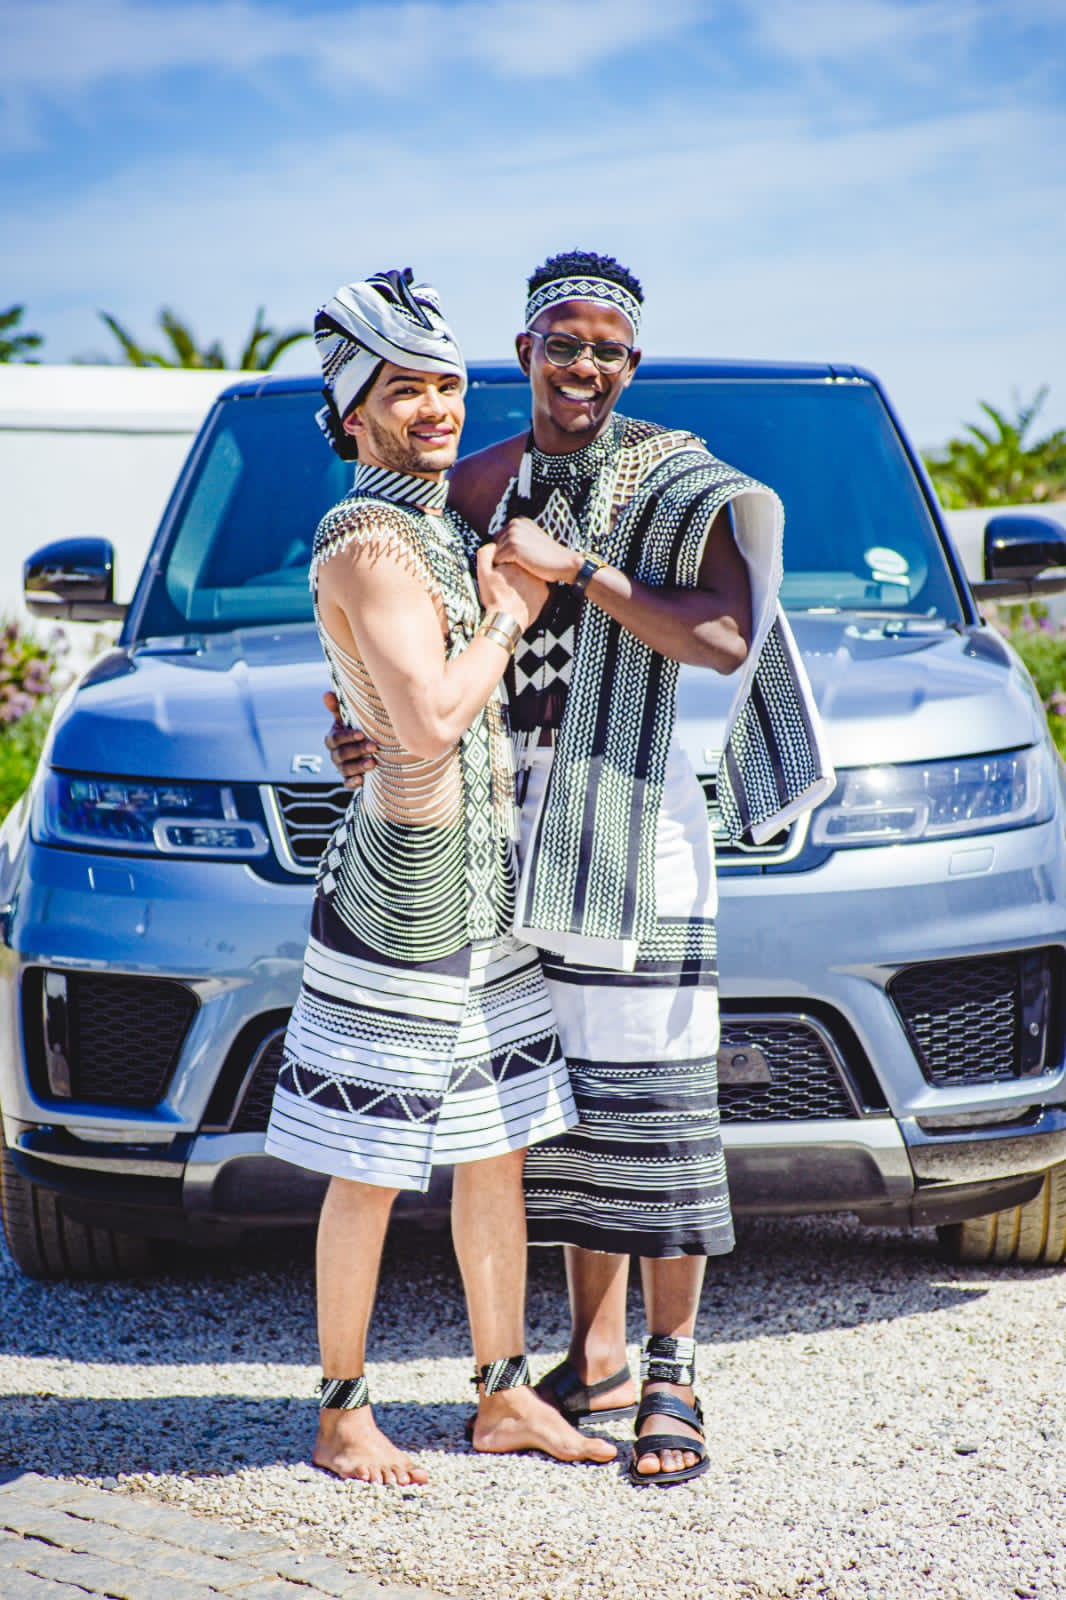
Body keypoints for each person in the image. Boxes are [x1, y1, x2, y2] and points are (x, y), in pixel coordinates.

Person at [325, 251, 832, 1487]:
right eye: (563, 343)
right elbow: (408, 631)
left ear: (632, 364)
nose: (584, 366)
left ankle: (674, 1372)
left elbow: (726, 635)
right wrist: (362, 725)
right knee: (566, 1115)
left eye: (608, 349)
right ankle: (590, 1358)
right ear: (525, 353)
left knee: (663, 1101)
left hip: (639, 819)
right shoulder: (473, 484)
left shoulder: (677, 478)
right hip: (509, 829)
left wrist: (582, 573)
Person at [266, 268, 617, 1488]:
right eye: (405, 389)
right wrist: (510, 612)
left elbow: (390, 707)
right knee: (369, 1161)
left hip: (482, 890)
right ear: (352, 412)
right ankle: (342, 1414)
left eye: (448, 385)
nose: (435, 408)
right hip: (404, 894)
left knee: (496, 1145)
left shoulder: (433, 526)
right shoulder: (369, 539)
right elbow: (423, 722)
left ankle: (503, 1395)